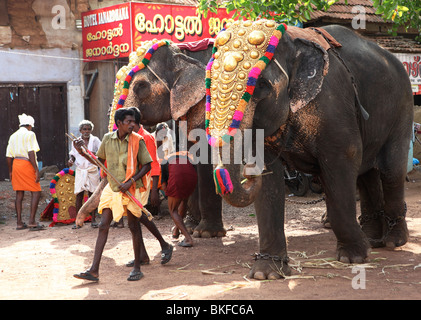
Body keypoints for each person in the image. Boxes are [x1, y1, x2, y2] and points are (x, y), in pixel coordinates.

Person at [73, 108, 152, 282]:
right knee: (103, 225)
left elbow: (147, 166)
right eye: (128, 122)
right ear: (119, 123)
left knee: (133, 226)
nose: (132, 124)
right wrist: (81, 152)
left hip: (130, 188)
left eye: (133, 121)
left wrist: (130, 182)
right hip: (112, 188)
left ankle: (137, 268)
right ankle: (94, 270)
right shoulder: (108, 139)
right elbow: (99, 162)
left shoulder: (138, 140)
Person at [124, 107, 173, 267]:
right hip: (134, 184)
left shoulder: (146, 138)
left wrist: (154, 191)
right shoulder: (131, 137)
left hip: (144, 185)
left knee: (139, 217)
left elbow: (155, 164)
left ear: (134, 122)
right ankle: (143, 256)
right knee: (134, 222)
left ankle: (164, 245)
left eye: (129, 121)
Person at [6, 113, 45, 231]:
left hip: (16, 164)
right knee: (36, 191)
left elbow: (8, 156)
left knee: (19, 193)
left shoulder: (13, 136)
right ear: (29, 125)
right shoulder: (30, 134)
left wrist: (10, 171)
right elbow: (31, 153)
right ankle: (32, 221)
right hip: (27, 164)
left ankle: (19, 223)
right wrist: (36, 170)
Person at [68, 120, 101, 227]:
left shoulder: (95, 140)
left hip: (92, 169)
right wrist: (71, 160)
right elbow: (73, 154)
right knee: (79, 195)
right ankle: (78, 221)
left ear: (91, 130)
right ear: (80, 131)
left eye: (88, 129)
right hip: (80, 170)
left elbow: (101, 153)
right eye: (84, 129)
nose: (86, 131)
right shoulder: (76, 141)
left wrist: (89, 153)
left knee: (93, 195)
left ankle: (93, 220)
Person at [165, 149, 198, 247]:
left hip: (177, 174)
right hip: (192, 174)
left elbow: (163, 184)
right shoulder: (182, 153)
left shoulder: (162, 160)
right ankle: (176, 230)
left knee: (172, 209)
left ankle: (188, 239)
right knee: (184, 201)